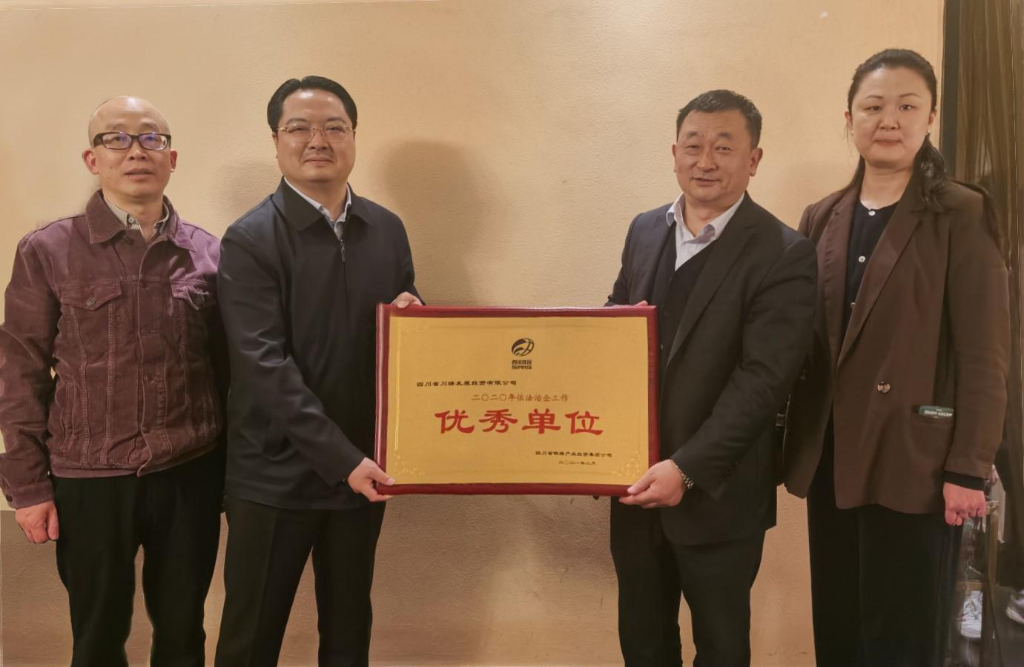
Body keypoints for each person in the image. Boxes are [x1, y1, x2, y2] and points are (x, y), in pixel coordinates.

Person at [783, 48, 1010, 667]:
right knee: (839, 627)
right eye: (873, 106)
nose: (889, 120)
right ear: (849, 118)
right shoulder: (822, 216)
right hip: (832, 456)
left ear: (930, 117)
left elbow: (985, 356)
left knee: (902, 636)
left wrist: (969, 468)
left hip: (917, 461)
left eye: (907, 106)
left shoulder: (961, 212)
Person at [0, 96, 227, 667]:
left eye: (151, 138)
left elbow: (227, 372)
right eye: (116, 138)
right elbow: (19, 373)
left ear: (172, 158)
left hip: (190, 471)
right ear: (92, 159)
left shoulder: (208, 254)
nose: (136, 151)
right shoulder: (47, 251)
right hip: (88, 477)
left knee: (184, 632)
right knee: (97, 636)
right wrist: (28, 486)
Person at [214, 75, 421, 667]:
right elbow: (263, 365)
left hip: (364, 471)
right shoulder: (250, 238)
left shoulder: (386, 228)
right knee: (250, 640)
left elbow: (401, 332)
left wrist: (416, 316)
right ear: (276, 140)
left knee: (349, 634)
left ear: (354, 136)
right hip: (274, 476)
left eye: (335, 127)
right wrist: (343, 459)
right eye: (299, 128)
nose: (318, 140)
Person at [607, 89, 817, 667]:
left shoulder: (784, 252)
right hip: (634, 485)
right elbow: (612, 331)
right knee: (642, 644)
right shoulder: (644, 230)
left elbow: (764, 381)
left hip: (719, 494)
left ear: (754, 159)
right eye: (693, 145)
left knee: (721, 649)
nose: (705, 161)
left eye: (724, 147)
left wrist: (686, 468)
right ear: (674, 152)